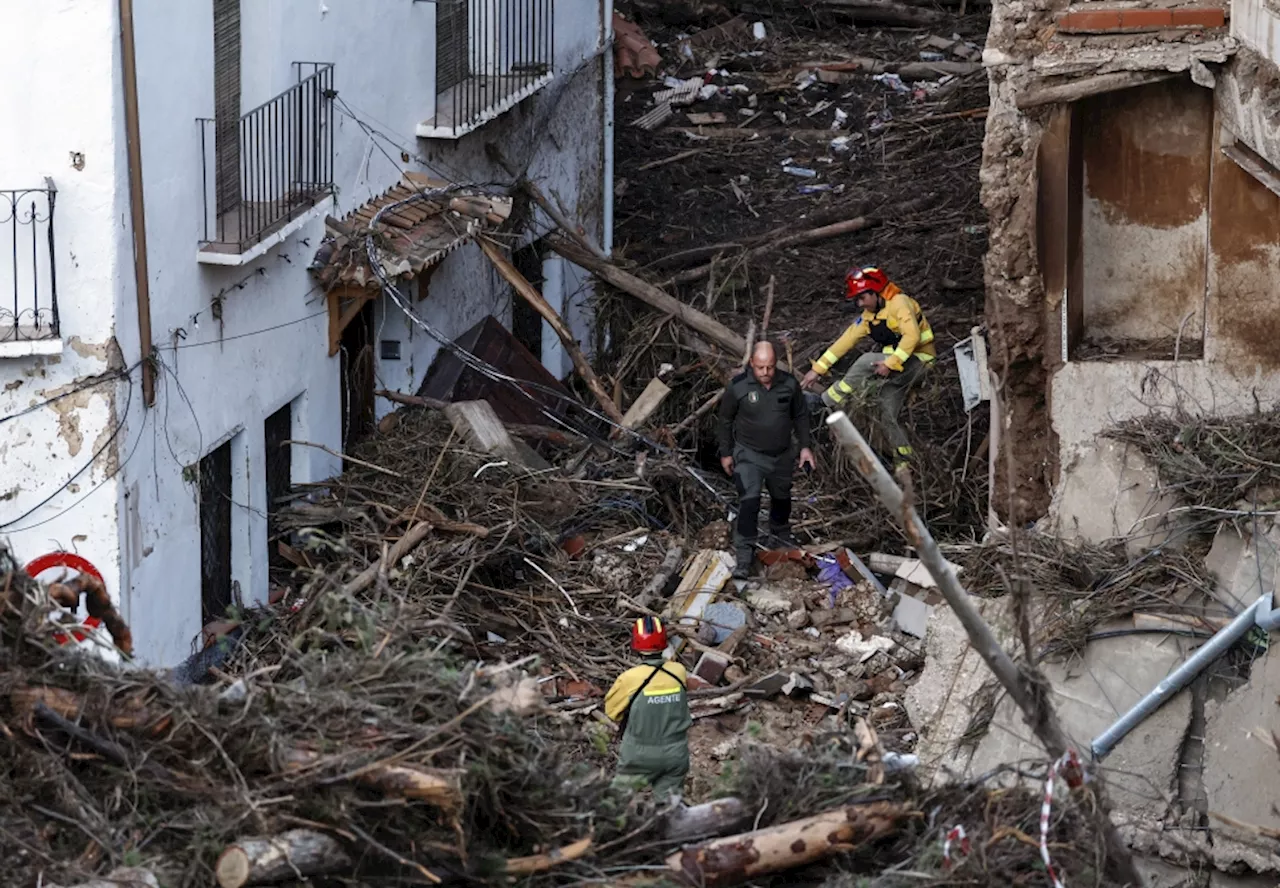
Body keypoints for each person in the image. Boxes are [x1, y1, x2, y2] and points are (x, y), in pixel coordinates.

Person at [801, 266, 935, 469]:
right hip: (900, 366)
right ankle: (906, 463)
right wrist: (818, 370)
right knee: (887, 412)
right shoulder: (869, 317)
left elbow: (913, 336)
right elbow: (845, 341)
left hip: (920, 361)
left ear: (875, 292)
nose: (859, 303)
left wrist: (890, 363)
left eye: (862, 298)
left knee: (865, 361)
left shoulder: (900, 303)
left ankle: (827, 401)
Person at [718, 340, 817, 579]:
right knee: (749, 501)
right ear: (752, 363)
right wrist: (726, 452)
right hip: (749, 454)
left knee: (782, 498)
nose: (765, 373)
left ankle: (780, 536)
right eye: (761, 367)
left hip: (781, 454)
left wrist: (805, 447)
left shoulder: (789, 384)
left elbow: (801, 416)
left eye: (770, 367)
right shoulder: (738, 387)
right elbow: (724, 420)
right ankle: (744, 556)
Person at [604, 617, 691, 799]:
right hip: (676, 753)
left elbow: (612, 712)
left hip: (639, 753)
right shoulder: (678, 671)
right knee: (670, 808)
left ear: (635, 643)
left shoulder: (629, 678)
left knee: (617, 803)